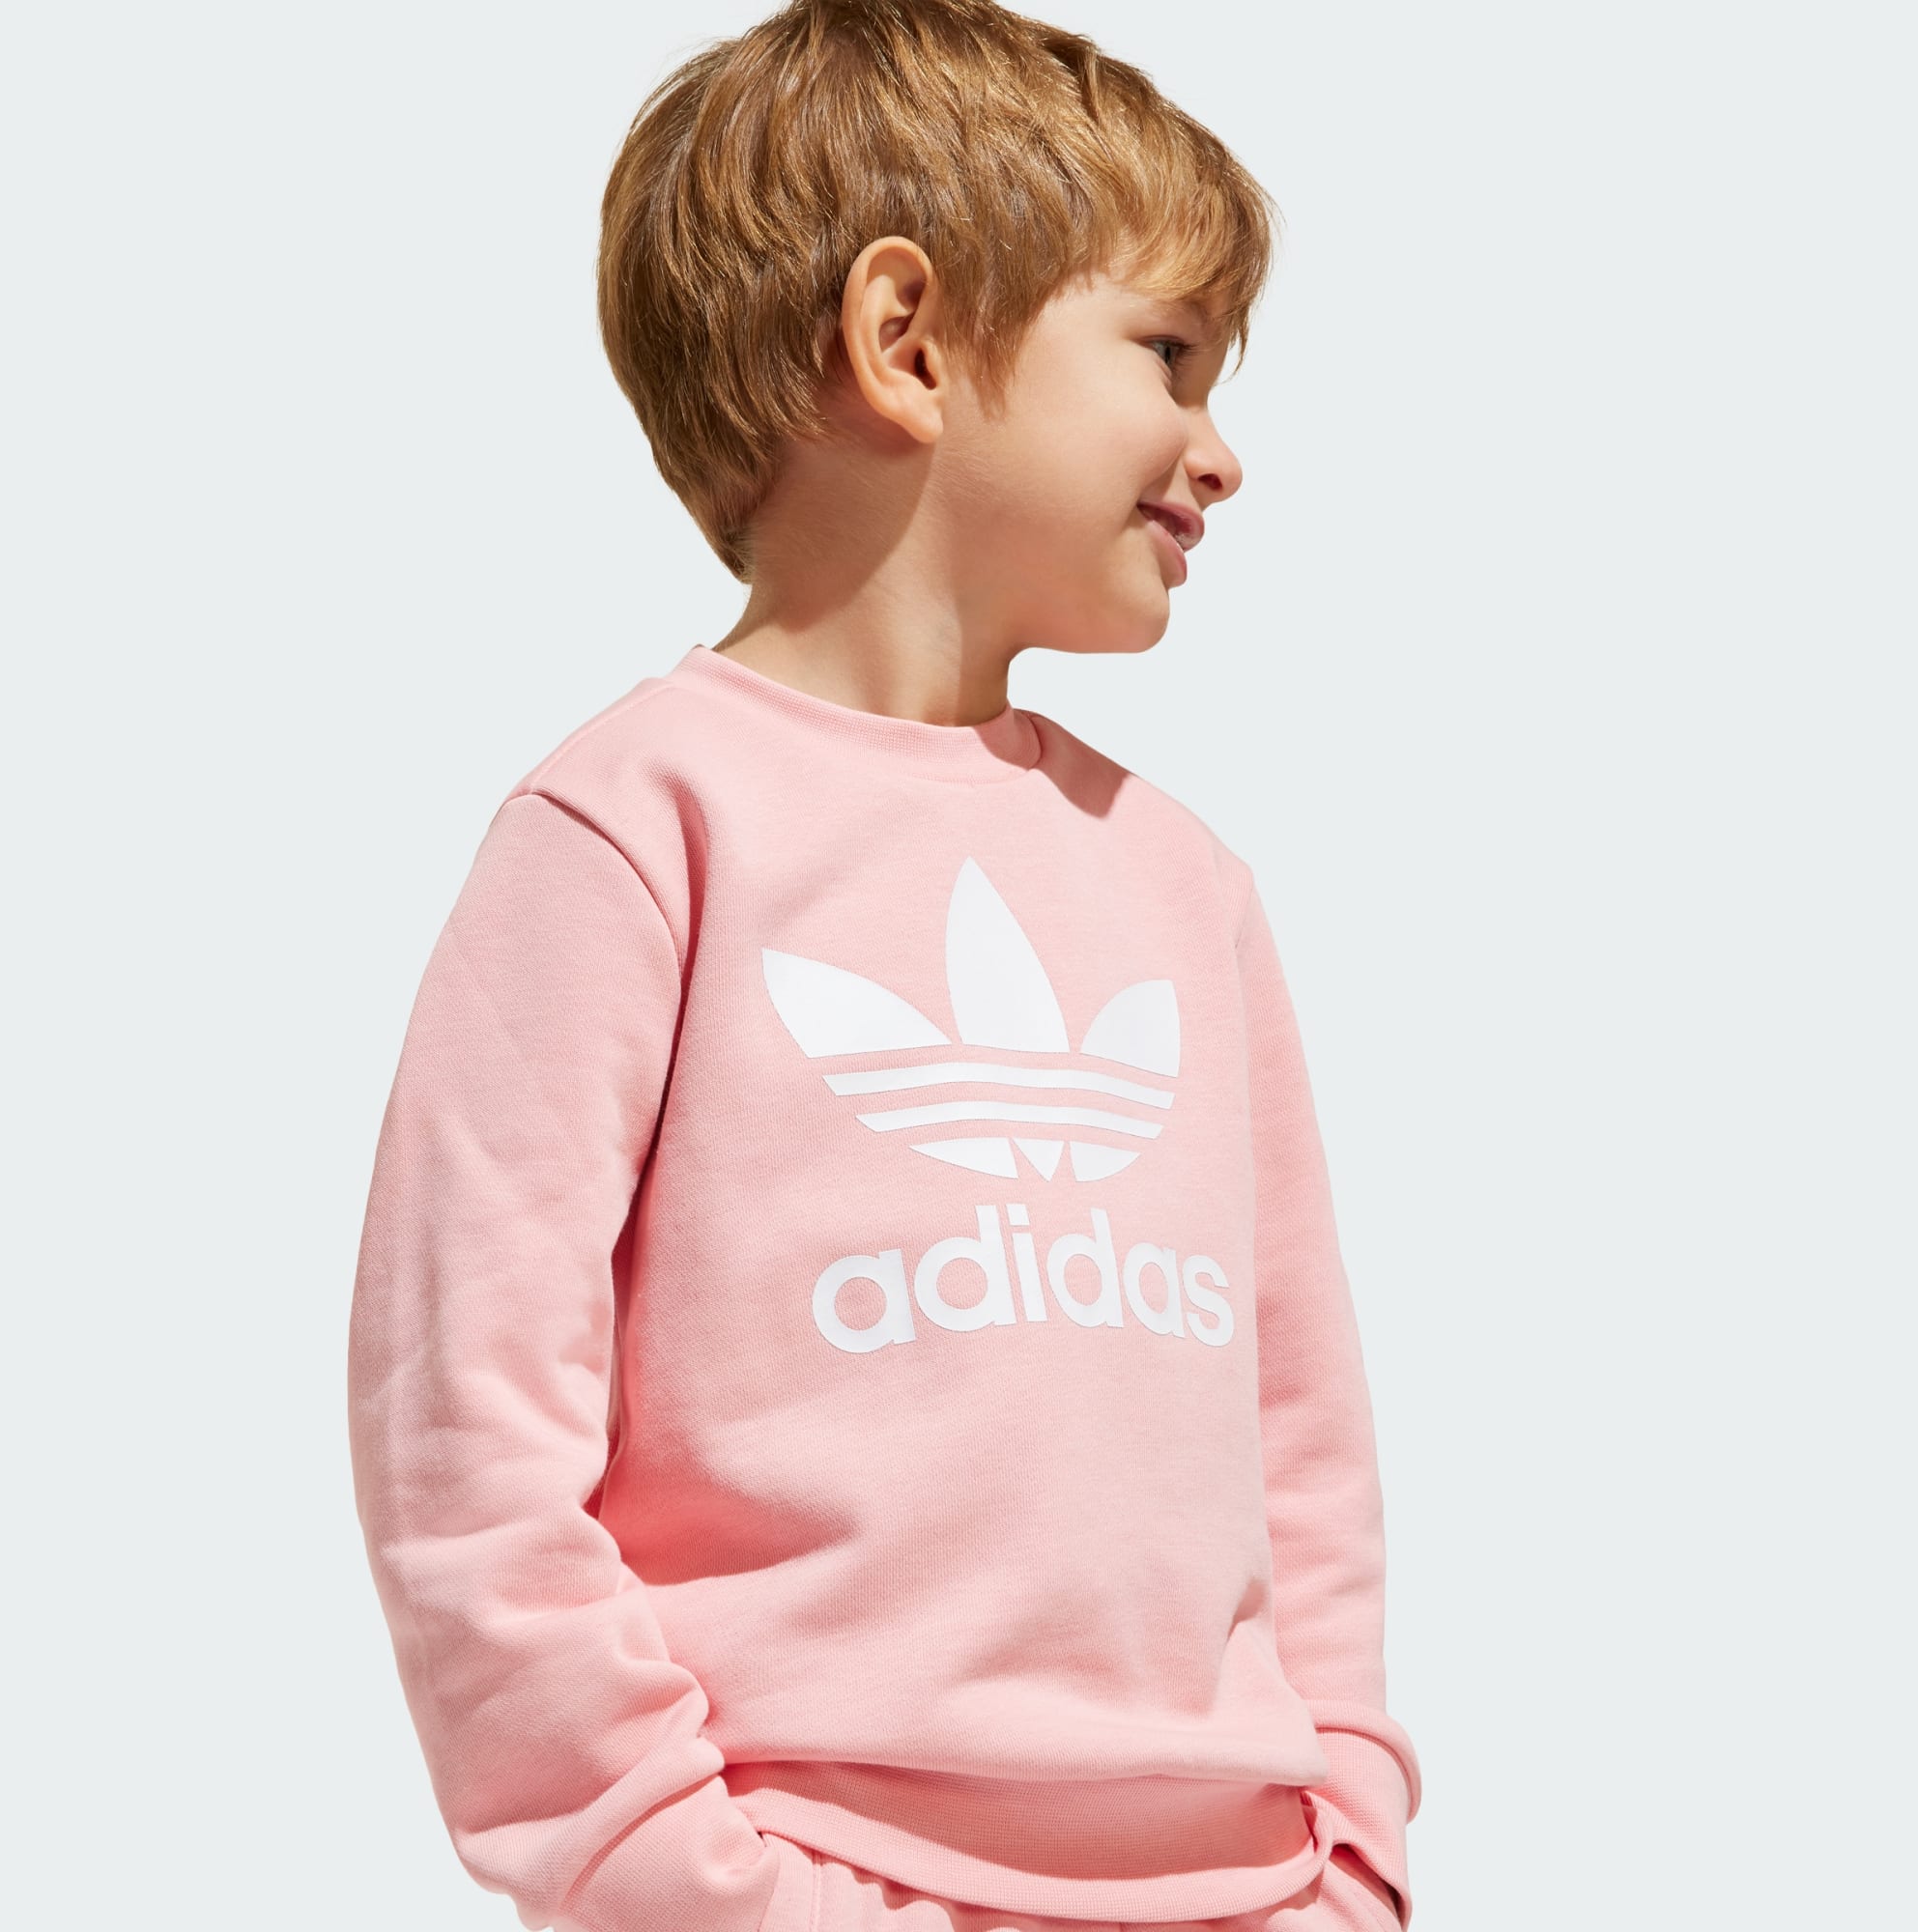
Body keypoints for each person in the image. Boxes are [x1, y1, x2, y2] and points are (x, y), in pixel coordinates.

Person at [345, 3, 1421, 1928]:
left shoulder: (1185, 883)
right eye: (1169, 355)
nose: (1221, 452)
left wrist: (1346, 1852)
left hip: (1247, 1890)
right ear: (906, 338)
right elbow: (467, 1433)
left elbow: (1305, 1441)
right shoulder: (635, 830)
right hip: (812, 1880)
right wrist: (674, 1874)